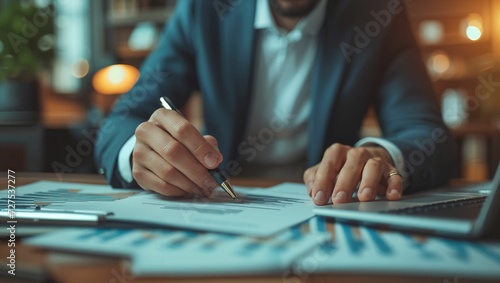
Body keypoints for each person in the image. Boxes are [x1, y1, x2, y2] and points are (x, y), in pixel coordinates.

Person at [95, 0, 453, 206]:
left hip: (328, 208)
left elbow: (426, 133)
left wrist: (382, 154)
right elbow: (124, 120)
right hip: (222, 206)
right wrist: (139, 153)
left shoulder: (378, 13)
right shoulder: (204, 9)